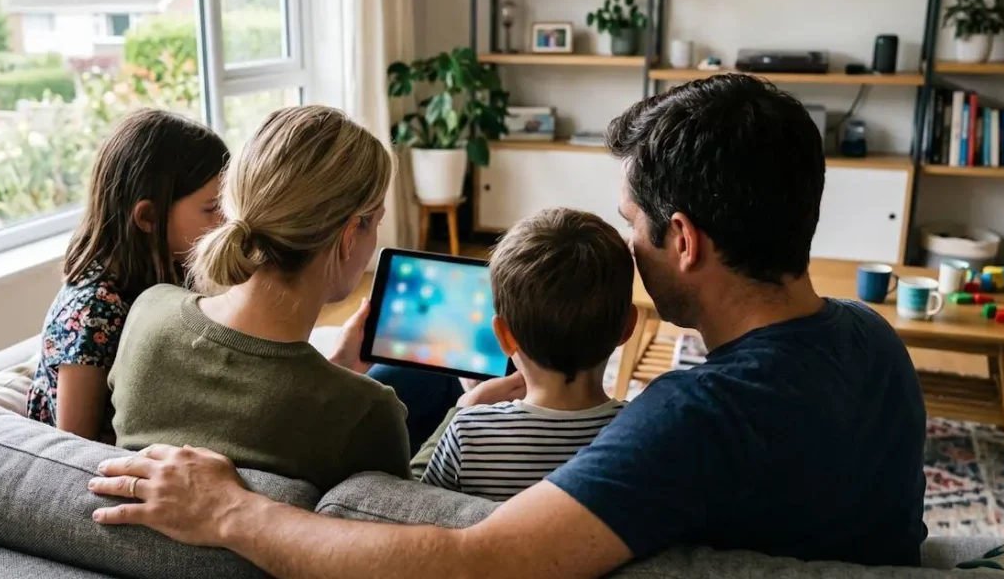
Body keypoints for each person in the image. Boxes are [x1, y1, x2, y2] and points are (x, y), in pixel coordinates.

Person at [88, 75, 928, 578]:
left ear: (683, 240)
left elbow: (473, 562)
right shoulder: (871, 340)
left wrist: (231, 512)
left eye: (632, 222)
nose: (629, 244)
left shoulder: (692, 419)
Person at [108, 106, 443, 491]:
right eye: (377, 222)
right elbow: (395, 512)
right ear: (350, 236)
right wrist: (462, 423)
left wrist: (338, 366)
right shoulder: (366, 411)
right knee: (442, 385)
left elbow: (250, 405)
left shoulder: (148, 312)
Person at [26, 108, 229, 441]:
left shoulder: (176, 269)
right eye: (211, 208)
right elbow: (73, 448)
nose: (226, 221)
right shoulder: (94, 312)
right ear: (148, 217)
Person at [419, 208, 636, 501]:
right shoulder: (641, 436)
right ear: (627, 328)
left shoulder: (466, 433)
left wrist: (467, 407)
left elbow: (418, 504)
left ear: (504, 337)